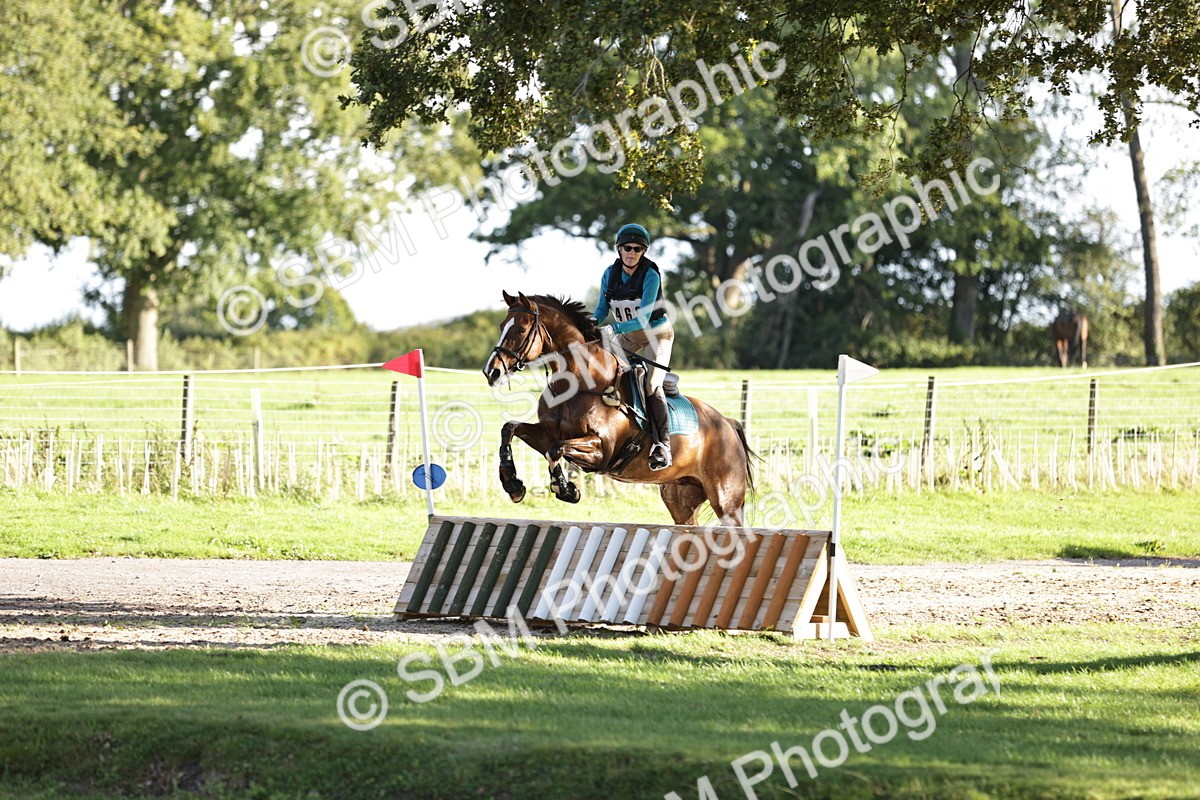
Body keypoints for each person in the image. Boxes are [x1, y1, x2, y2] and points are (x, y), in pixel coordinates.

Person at [589, 223, 676, 470]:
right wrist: (594, 321)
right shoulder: (610, 273)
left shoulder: (651, 275)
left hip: (657, 334)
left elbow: (644, 319)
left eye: (638, 249)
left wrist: (613, 329)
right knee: (604, 369)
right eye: (627, 247)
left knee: (650, 384)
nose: (632, 252)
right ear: (619, 249)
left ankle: (663, 446)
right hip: (630, 335)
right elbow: (602, 309)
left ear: (643, 251)